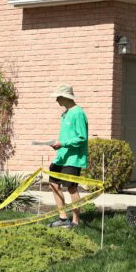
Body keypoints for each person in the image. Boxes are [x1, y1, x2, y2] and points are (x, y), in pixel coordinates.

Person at [47, 85, 88, 229]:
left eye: (58, 96)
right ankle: (63, 218)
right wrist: (58, 144)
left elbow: (82, 138)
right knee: (53, 184)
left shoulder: (78, 113)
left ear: (65, 97)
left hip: (73, 158)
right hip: (61, 157)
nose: (56, 99)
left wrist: (62, 143)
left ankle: (75, 222)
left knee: (71, 188)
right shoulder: (65, 114)